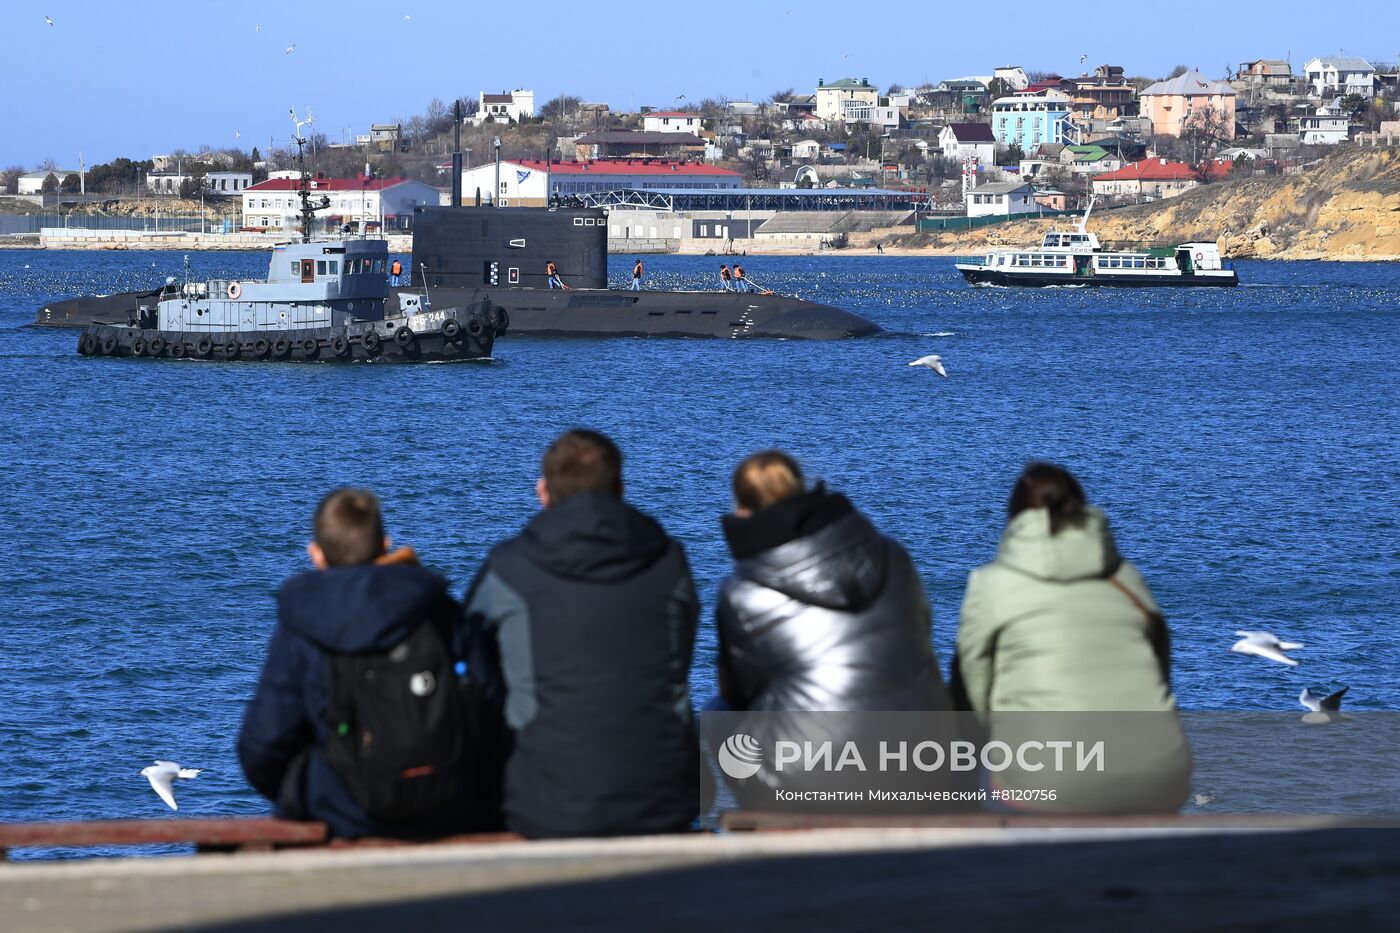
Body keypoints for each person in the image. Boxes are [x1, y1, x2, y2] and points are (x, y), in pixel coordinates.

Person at [464, 430, 700, 839]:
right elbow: (681, 653)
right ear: (621, 490)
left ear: (542, 491)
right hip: (661, 797)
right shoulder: (670, 563)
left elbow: (471, 656)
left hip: (542, 802)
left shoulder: (508, 570)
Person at [238, 489, 497, 839]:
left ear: (315, 554)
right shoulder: (439, 612)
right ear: (385, 546)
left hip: (343, 812)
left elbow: (262, 745)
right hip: (447, 805)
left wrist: (312, 792)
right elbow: (493, 705)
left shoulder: (302, 628)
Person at [714, 452, 959, 804]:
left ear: (742, 510)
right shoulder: (893, 556)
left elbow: (742, 692)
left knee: (717, 712)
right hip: (929, 763)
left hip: (812, 783)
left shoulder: (744, 594)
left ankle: (763, 835)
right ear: (801, 491)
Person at [951, 462, 1191, 813]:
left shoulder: (991, 585)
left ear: (1015, 518)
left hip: (1047, 782)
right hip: (1158, 774)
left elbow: (971, 696)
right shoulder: (1127, 579)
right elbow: (1160, 671)